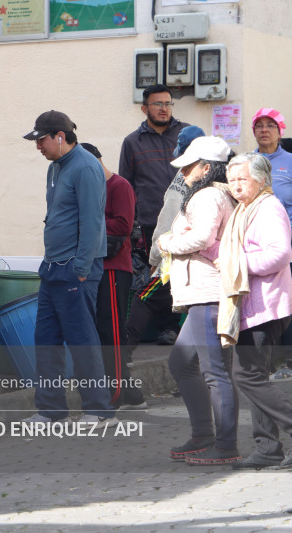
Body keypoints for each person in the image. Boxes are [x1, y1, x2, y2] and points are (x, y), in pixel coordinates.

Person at [22, 110, 117, 428]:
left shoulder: (86, 167)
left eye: (41, 140)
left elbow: (92, 222)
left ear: (59, 136)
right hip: (52, 267)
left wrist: (80, 268)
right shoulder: (55, 167)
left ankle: (98, 409)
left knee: (81, 340)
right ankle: (51, 409)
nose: (38, 147)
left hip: (77, 269)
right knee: (45, 339)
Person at [155, 136, 239, 465]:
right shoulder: (213, 193)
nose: (184, 173)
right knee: (183, 363)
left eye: (189, 166)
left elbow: (203, 237)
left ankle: (226, 445)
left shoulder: (207, 196)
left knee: (214, 372)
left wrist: (167, 242)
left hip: (209, 293)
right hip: (203, 293)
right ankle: (204, 434)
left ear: (206, 168)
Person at [218, 153, 292, 470]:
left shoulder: (267, 208)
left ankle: (276, 439)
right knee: (254, 375)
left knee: (246, 375)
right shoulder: (246, 209)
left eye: (242, 178)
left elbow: (279, 254)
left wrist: (238, 264)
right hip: (253, 304)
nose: (236, 185)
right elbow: (228, 250)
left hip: (266, 305)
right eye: (232, 179)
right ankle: (267, 448)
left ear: (261, 179)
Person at [122, 126, 205, 362]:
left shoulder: (185, 177)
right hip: (206, 260)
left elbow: (168, 218)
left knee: (144, 297)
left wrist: (155, 257)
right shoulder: (218, 172)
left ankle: (122, 355)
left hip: (177, 256)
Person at [119, 84, 190, 346]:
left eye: (168, 103)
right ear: (145, 108)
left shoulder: (186, 135)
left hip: (187, 220)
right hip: (151, 224)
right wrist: (133, 224)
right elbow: (126, 185)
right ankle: (163, 327)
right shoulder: (132, 142)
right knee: (160, 273)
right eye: (158, 104)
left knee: (179, 274)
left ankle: (171, 326)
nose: (164, 108)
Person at [80, 143, 146, 410]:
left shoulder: (119, 186)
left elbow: (123, 224)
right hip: (91, 267)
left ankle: (114, 395)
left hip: (113, 268)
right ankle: (131, 395)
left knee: (111, 332)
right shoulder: (87, 188)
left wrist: (85, 220)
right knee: (98, 331)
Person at [248, 109, 292, 381]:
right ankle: (262, 362)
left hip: (287, 246)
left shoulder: (289, 161)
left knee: (287, 304)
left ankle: (287, 360)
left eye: (270, 125)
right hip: (256, 248)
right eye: (259, 126)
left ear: (280, 131)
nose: (264, 130)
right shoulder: (246, 163)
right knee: (262, 303)